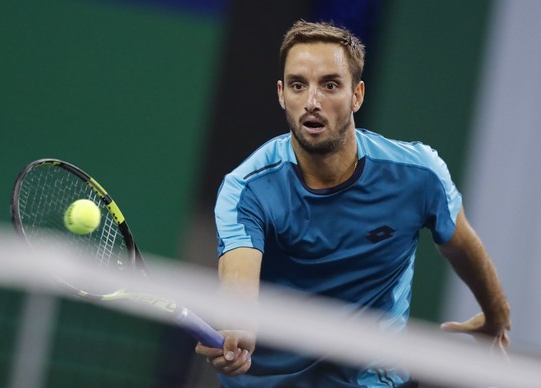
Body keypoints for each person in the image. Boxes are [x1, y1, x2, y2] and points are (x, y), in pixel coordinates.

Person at [196, 20, 511, 387]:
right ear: (282, 94)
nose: (312, 102)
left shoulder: (419, 174)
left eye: (330, 85)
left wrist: (497, 314)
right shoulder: (246, 189)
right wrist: (236, 331)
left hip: (370, 376)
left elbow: (462, 246)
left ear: (357, 95)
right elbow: (238, 289)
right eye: (299, 85)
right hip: (269, 380)